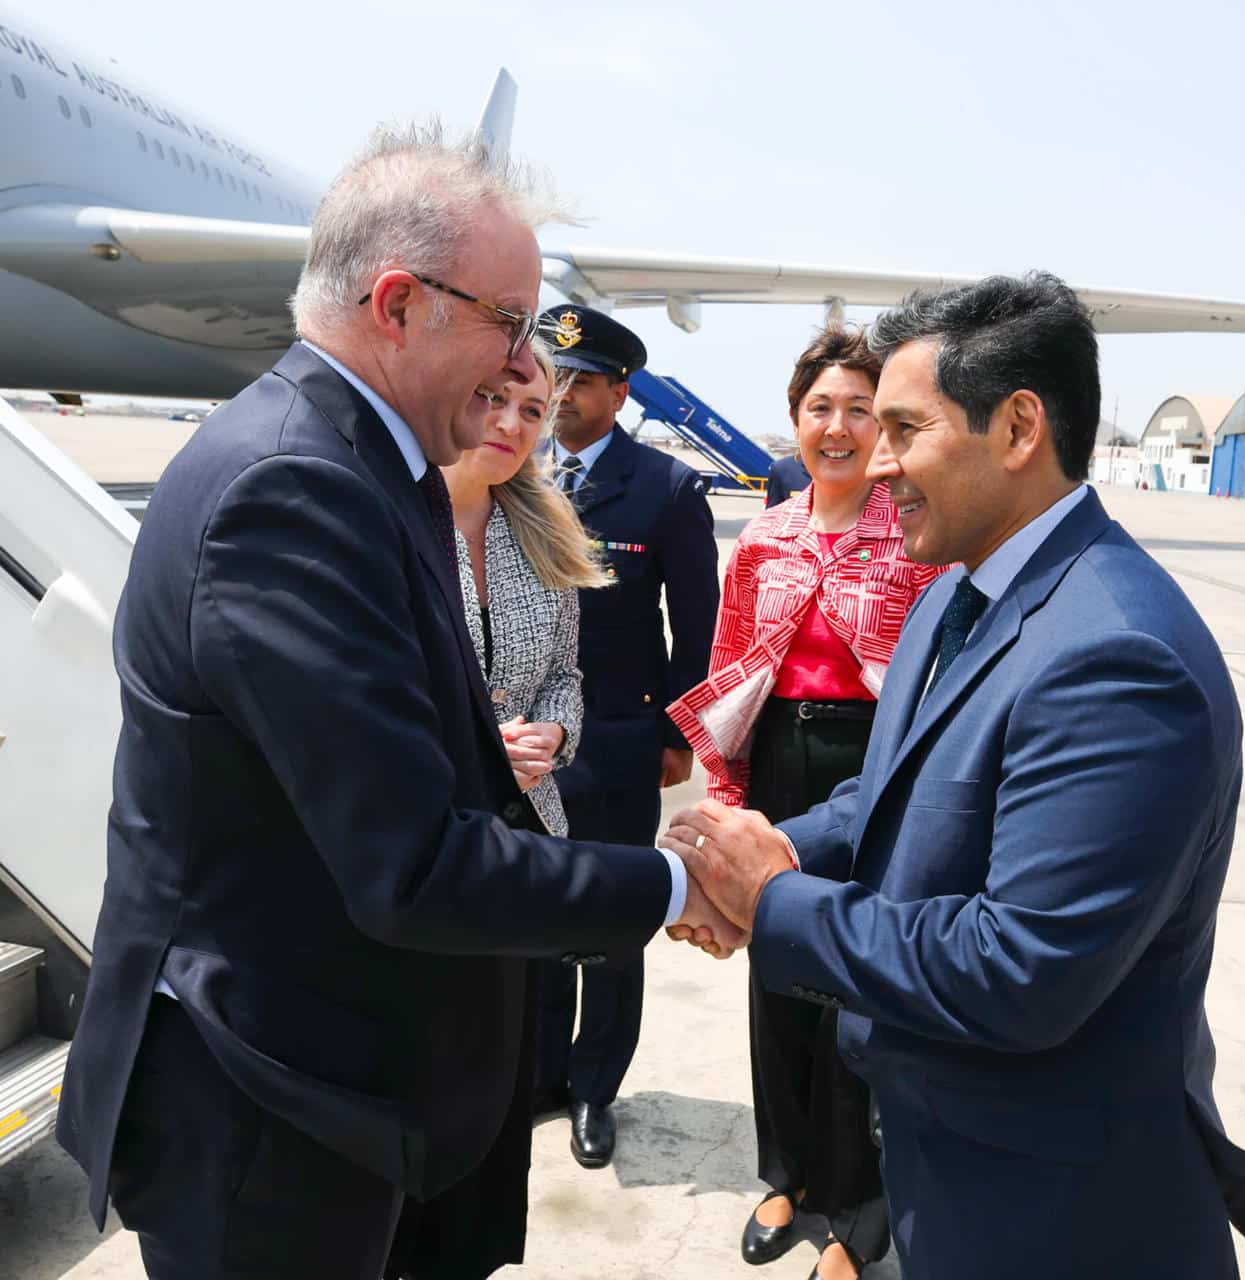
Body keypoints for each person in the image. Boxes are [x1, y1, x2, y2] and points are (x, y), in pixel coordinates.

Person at [56, 124, 740, 1280]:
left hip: (330, 1082)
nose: (529, 364)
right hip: (263, 1111)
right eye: (511, 322)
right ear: (398, 302)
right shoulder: (295, 486)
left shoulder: (367, 467)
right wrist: (687, 877)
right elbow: (413, 861)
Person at [665, 274, 1245, 1277]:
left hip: (1056, 1210)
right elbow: (891, 795)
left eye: (904, 427)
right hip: (949, 1163)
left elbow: (1018, 966)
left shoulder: (1115, 657)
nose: (877, 459)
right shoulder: (955, 594)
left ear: (1019, 426)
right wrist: (740, 855)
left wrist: (771, 899)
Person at [668, 326, 941, 1279]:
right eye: (820, 408)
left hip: (873, 767)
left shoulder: (914, 536)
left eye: (859, 409)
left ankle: (854, 1215)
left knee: (856, 989)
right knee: (778, 972)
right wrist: (731, 799)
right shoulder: (764, 539)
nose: (838, 427)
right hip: (781, 756)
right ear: (794, 421)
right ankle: (783, 1175)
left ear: (885, 426)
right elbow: (728, 670)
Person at [382, 342, 609, 1279]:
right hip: (424, 848)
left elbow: (567, 675)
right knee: (416, 1074)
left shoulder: (543, 531)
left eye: (533, 410)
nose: (512, 425)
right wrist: (479, 754)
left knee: (497, 1078)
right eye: (496, 399)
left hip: (522, 843)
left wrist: (553, 738)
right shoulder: (392, 522)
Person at [535, 303, 721, 1170]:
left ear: (619, 391)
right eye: (552, 375)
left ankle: (593, 1087)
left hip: (615, 739)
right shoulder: (505, 464)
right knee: (523, 912)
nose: (560, 394)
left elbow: (696, 624)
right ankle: (536, 1071)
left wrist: (679, 729)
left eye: (580, 381)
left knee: (612, 920)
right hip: (522, 741)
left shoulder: (665, 489)